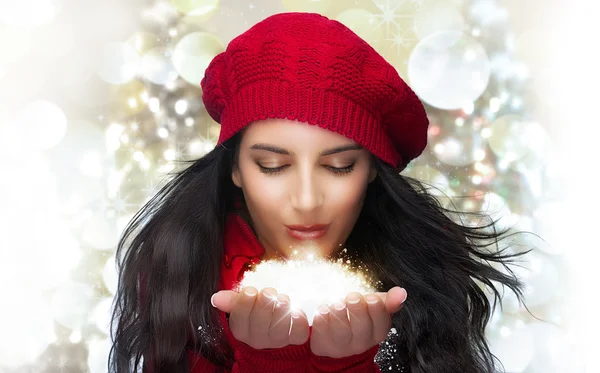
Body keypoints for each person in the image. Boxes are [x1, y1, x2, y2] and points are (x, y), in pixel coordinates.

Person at [109, 12, 528, 373]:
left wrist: (352, 364)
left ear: (370, 172)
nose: (307, 199)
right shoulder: (179, 277)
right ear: (235, 168)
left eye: (339, 166)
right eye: (272, 166)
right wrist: (270, 362)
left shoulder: (421, 281)